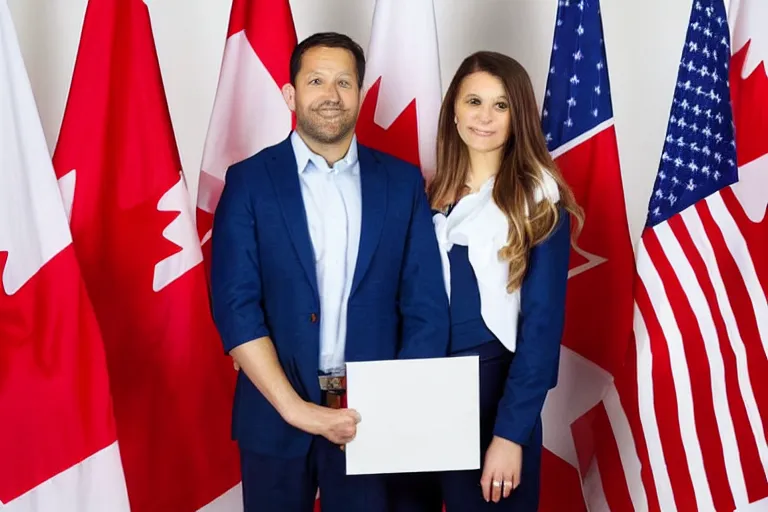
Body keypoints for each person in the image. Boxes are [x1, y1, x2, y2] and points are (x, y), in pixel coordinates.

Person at [209, 32, 449, 512]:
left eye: (344, 82)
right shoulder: (249, 181)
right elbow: (236, 307)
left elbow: (426, 308)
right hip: (275, 412)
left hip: (371, 422)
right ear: (290, 94)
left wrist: (389, 408)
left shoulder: (402, 184)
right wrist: (297, 410)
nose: (331, 94)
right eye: (316, 80)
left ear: (360, 93)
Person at [428, 51, 584, 510]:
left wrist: (509, 435)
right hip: (423, 398)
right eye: (474, 101)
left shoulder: (538, 205)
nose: (485, 117)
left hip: (494, 399)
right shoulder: (426, 203)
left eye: (501, 105)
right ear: (453, 110)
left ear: (519, 118)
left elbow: (540, 332)